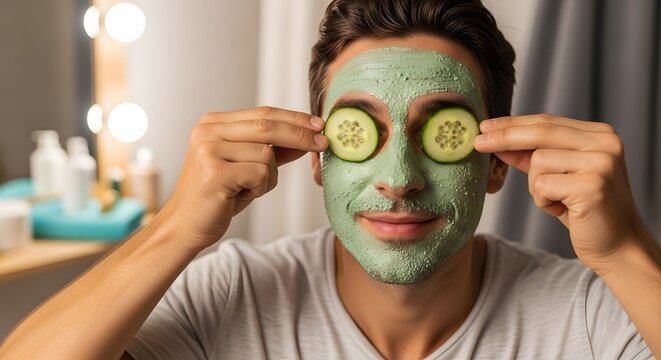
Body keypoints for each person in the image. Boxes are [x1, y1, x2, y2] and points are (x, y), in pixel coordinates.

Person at [1, 0, 659, 359]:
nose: (399, 180)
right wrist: (175, 228)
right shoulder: (228, 293)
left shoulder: (588, 314)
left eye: (442, 132)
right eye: (359, 131)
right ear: (316, 157)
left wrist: (623, 251)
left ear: (494, 163)